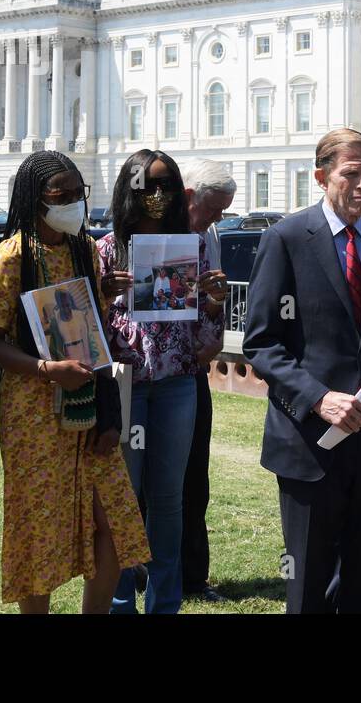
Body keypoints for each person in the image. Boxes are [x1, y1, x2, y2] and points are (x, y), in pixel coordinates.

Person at [244, 129, 361, 613]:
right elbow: (262, 343)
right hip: (311, 446)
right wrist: (318, 399)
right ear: (322, 176)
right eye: (353, 174)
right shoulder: (284, 239)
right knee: (307, 583)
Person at [0, 151, 150, 613]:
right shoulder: (8, 258)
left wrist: (106, 296)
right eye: (62, 196)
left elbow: (91, 330)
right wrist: (45, 370)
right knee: (41, 527)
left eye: (79, 193)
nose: (74, 203)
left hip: (89, 401)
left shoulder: (84, 249)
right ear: (37, 199)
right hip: (33, 413)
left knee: (115, 521)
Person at [97, 150, 225, 614]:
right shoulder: (108, 248)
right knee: (125, 495)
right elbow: (89, 330)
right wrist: (104, 296)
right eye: (148, 185)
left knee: (169, 498)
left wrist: (213, 304)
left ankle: (165, 601)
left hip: (177, 383)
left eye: (166, 185)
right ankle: (119, 599)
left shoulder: (195, 245)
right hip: (127, 382)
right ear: (130, 190)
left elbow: (205, 334)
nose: (158, 195)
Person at [178, 158, 235, 603]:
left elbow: (210, 304)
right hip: (153, 374)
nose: (217, 219)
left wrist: (215, 321)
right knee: (150, 481)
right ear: (189, 196)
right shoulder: (152, 234)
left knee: (196, 477)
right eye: (213, 209)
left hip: (194, 369)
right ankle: (145, 568)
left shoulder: (209, 234)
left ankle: (193, 575)